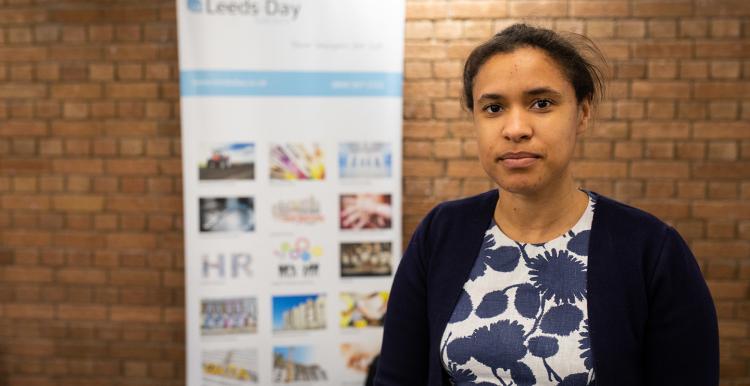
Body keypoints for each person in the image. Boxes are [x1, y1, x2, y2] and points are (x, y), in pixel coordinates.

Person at [375, 24, 718, 386]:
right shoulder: (442, 232)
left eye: (542, 103)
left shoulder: (651, 251)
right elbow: (397, 376)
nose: (516, 128)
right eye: (493, 108)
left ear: (582, 113)